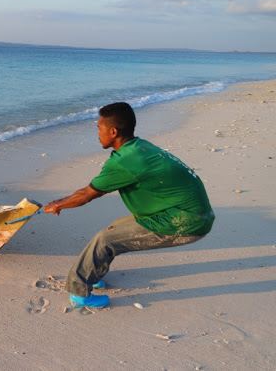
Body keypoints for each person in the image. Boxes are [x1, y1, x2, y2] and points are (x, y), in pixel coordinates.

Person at [43, 102, 215, 309]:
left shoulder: (126, 161)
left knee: (105, 239)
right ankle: (92, 273)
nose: (97, 133)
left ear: (113, 131)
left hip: (186, 221)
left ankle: (79, 293)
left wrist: (58, 205)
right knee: (114, 228)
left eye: (99, 128)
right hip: (185, 212)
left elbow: (87, 195)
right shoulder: (139, 147)